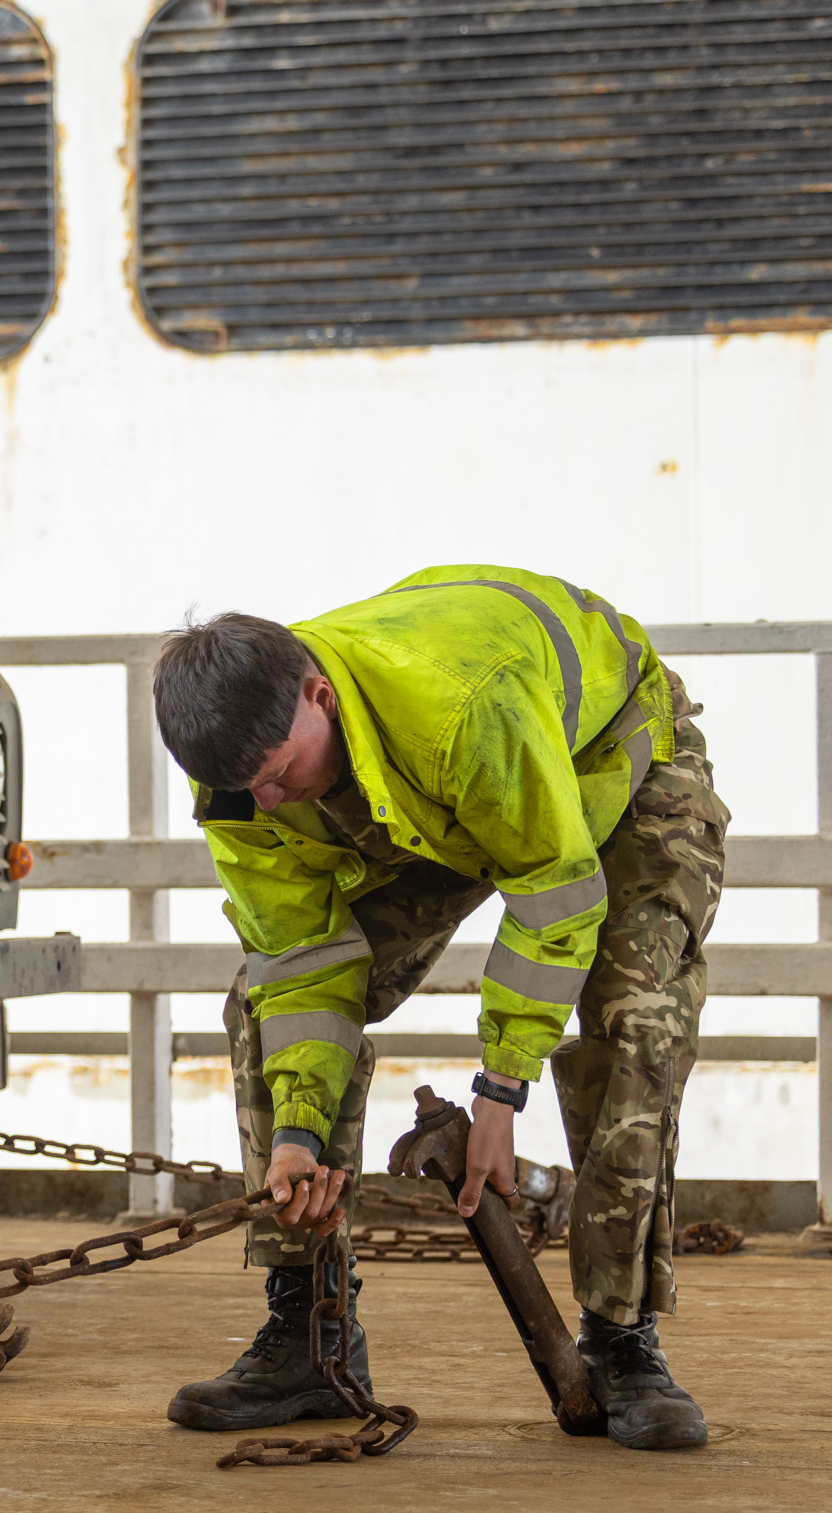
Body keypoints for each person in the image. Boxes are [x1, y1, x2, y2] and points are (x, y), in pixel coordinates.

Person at [151, 568, 729, 1451]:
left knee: (638, 1023)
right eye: (249, 790)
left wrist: (500, 1094)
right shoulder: (244, 785)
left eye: (278, 775)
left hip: (609, 759)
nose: (267, 803)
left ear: (318, 694)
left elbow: (551, 891)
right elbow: (304, 961)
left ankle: (621, 1341)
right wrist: (299, 1133)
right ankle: (312, 1334)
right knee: (263, 1007)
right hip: (431, 795)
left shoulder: (463, 705)